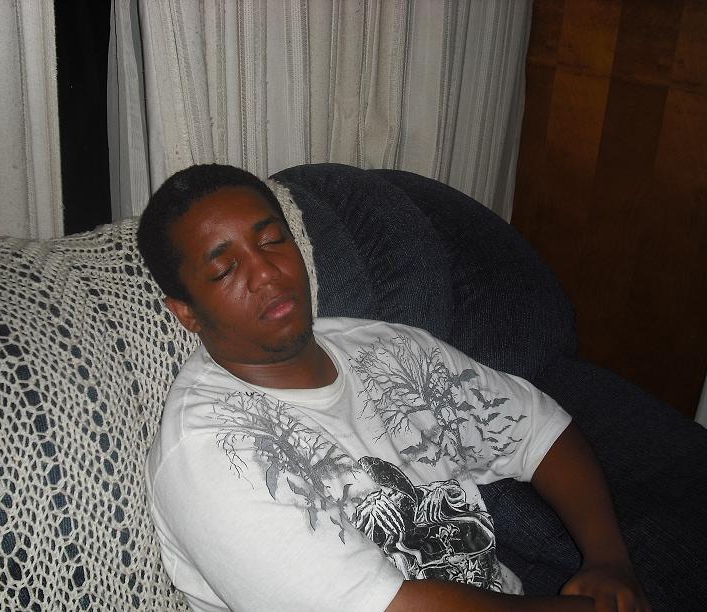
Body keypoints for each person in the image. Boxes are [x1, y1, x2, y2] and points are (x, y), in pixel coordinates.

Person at [138, 164, 649, 612]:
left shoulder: (390, 351)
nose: (267, 273)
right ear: (186, 313)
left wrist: (609, 562)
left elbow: (539, 430)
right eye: (225, 269)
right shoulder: (210, 454)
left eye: (273, 241)